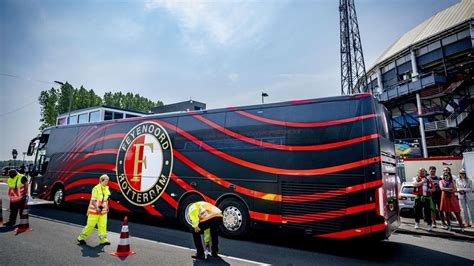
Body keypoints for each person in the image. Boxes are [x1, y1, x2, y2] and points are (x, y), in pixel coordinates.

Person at [76, 174, 111, 245]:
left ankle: (103, 240)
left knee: (103, 225)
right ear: (101, 180)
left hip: (103, 211)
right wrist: (97, 208)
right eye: (106, 180)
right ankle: (81, 238)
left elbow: (106, 200)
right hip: (94, 211)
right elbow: (93, 200)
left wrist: (107, 207)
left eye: (108, 180)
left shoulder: (107, 188)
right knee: (90, 225)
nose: (107, 182)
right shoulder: (96, 188)